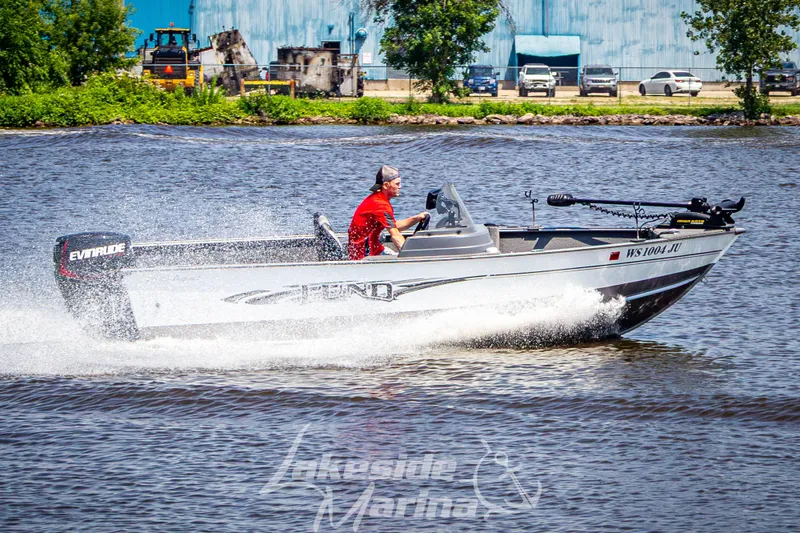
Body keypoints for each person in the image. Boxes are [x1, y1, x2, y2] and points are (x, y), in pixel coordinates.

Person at [348, 165, 428, 260]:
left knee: (394, 254)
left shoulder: (378, 199)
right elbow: (395, 235)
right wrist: (411, 259)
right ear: (386, 185)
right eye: (397, 184)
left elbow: (394, 226)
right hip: (364, 255)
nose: (400, 187)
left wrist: (416, 218)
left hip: (374, 248)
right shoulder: (380, 205)